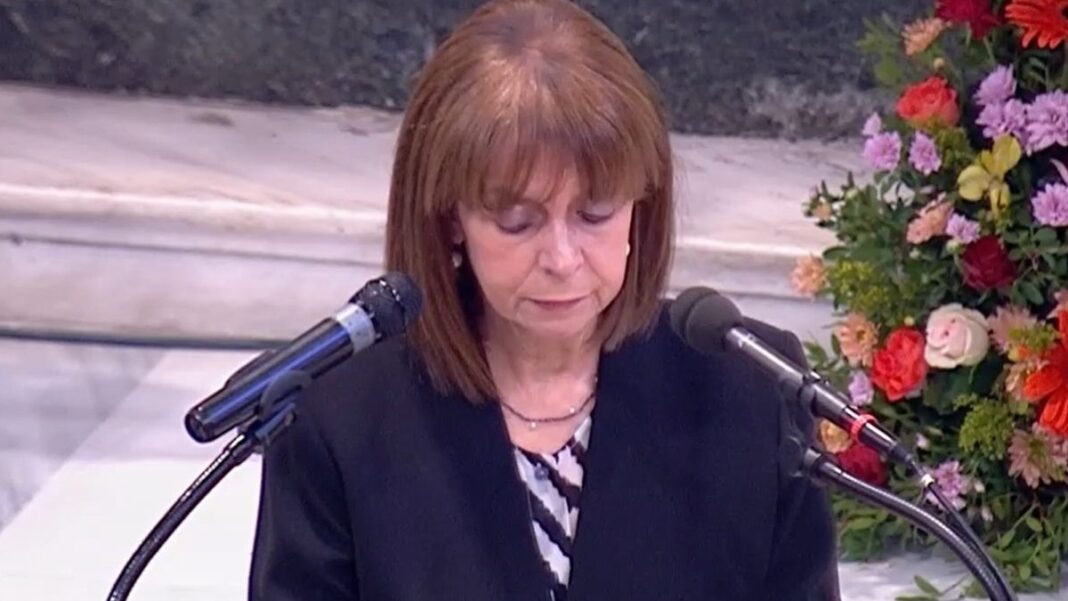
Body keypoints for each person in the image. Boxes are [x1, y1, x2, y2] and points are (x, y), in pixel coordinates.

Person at [249, 0, 839, 599]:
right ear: (451, 218)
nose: (561, 258)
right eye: (517, 221)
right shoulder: (339, 413)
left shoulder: (750, 389)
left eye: (595, 213)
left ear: (642, 206)